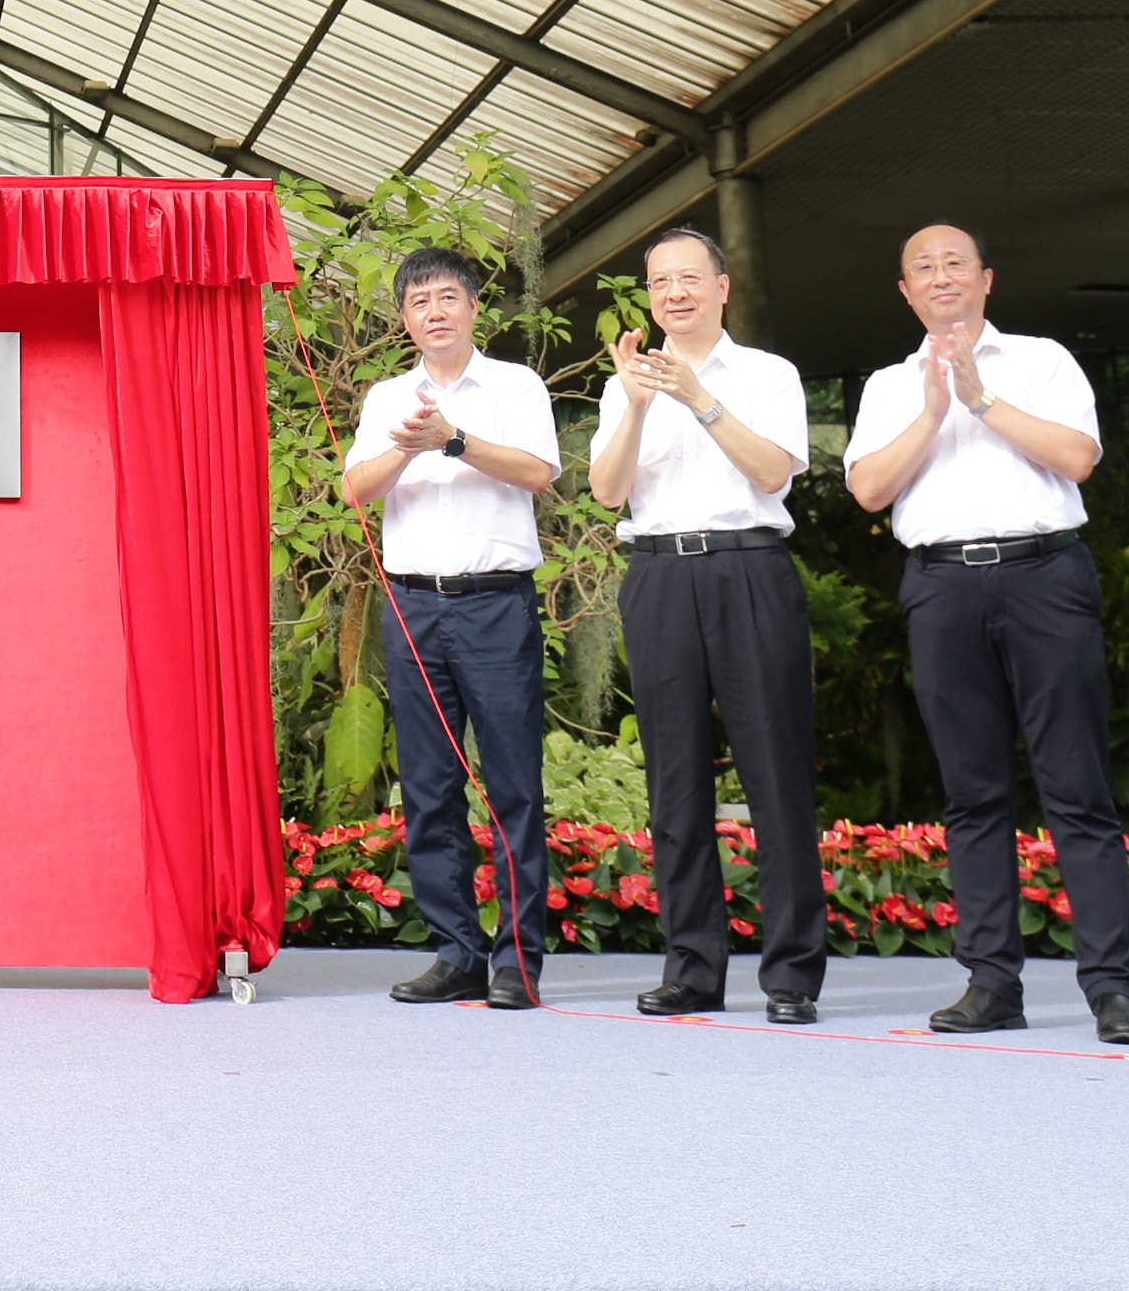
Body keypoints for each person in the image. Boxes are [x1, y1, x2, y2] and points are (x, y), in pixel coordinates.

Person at [844, 224, 1129, 1045]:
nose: (940, 277)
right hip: (942, 585)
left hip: (1044, 575)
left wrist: (980, 399)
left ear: (986, 279)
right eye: (923, 268)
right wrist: (934, 412)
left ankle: (1112, 988)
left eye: (955, 264)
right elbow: (869, 488)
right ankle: (991, 983)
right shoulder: (890, 384)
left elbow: (1078, 457)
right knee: (972, 792)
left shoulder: (1042, 361)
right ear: (905, 291)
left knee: (1076, 785)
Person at [586, 224, 825, 1022]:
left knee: (775, 772)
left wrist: (698, 398)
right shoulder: (627, 382)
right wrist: (637, 405)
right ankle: (691, 967)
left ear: (723, 288)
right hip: (658, 574)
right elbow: (608, 492)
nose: (674, 293)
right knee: (675, 779)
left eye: (689, 278)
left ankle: (791, 976)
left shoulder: (768, 374)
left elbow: (771, 471)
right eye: (660, 283)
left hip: (748, 568)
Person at [336, 245, 558, 1009]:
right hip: (413, 608)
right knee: (430, 787)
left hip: (495, 605)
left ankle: (518, 961)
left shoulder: (515, 386)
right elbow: (356, 490)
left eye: (447, 298)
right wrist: (409, 445)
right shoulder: (387, 397)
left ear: (472, 308)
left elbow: (538, 472)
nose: (434, 312)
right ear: (404, 317)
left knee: (513, 785)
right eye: (419, 301)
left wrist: (454, 440)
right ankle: (457, 951)